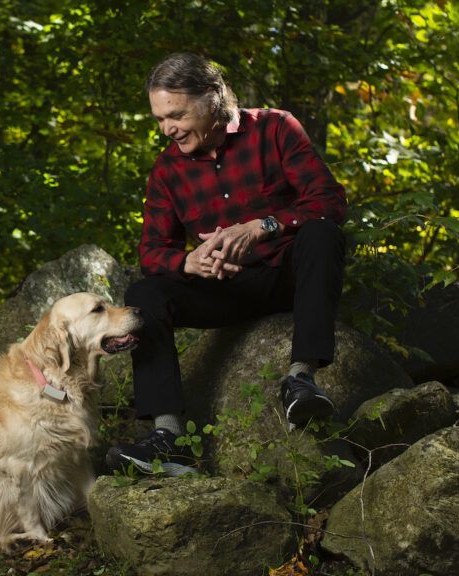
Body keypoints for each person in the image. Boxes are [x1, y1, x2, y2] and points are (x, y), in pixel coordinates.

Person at [105, 53, 347, 476]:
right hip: (224, 291)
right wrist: (188, 263)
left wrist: (262, 225)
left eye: (176, 114)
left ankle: (301, 379)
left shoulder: (274, 127)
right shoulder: (166, 170)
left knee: (322, 233)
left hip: (287, 277)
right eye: (160, 119)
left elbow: (328, 201)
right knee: (145, 294)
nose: (168, 129)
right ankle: (168, 438)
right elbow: (152, 253)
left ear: (212, 97)